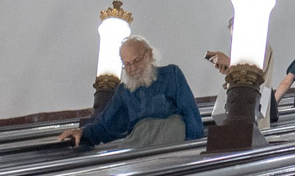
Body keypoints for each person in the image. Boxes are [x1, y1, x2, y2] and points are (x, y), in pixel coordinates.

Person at [62, 35, 205, 150]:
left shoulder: (171, 74)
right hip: (139, 143)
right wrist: (82, 132)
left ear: (149, 54)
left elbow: (191, 113)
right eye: (127, 64)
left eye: (136, 61)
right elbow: (105, 125)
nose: (132, 68)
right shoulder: (124, 90)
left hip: (171, 138)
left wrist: (192, 148)